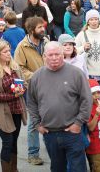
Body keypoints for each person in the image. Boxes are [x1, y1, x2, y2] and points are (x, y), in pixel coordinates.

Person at [28, 41, 92, 172]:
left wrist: (78, 123)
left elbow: (87, 99)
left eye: (57, 54)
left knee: (78, 169)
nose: (54, 58)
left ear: (62, 54)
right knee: (57, 168)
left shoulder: (76, 73)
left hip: (72, 132)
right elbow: (32, 102)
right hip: (49, 134)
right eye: (50, 55)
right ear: (44, 56)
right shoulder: (36, 77)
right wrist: (37, 124)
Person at [0, 39, 27, 172]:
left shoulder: (15, 67)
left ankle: (14, 169)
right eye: (5, 51)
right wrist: (13, 95)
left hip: (17, 110)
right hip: (2, 114)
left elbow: (23, 84)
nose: (9, 53)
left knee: (14, 142)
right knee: (7, 142)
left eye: (9, 50)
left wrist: (21, 89)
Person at [14, 16, 48, 166]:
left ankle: (53, 149)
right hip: (32, 89)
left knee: (51, 118)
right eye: (40, 27)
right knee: (34, 122)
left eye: (43, 26)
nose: (43, 29)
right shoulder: (22, 47)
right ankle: (33, 154)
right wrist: (36, 76)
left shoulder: (46, 42)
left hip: (50, 87)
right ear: (31, 29)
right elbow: (18, 68)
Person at [75, 10, 100, 108]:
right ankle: (95, 120)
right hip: (90, 73)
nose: (94, 22)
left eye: (96, 19)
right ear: (87, 21)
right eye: (91, 19)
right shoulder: (82, 34)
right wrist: (82, 48)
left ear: (99, 20)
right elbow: (74, 50)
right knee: (91, 100)